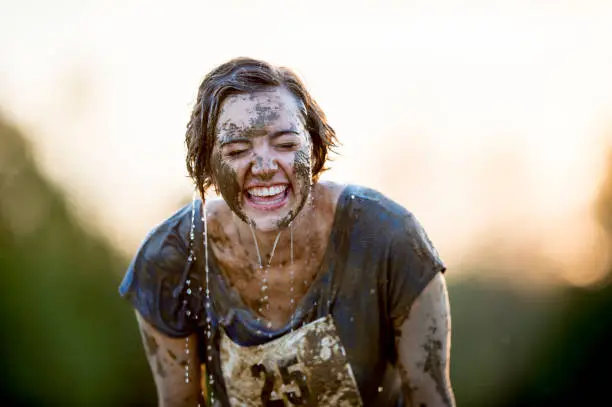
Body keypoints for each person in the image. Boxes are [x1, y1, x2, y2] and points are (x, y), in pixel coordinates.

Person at [119, 57, 455, 407]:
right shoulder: (171, 260)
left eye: (285, 144)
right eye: (236, 150)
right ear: (207, 162)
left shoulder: (390, 240)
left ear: (314, 147)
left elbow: (431, 398)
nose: (264, 167)